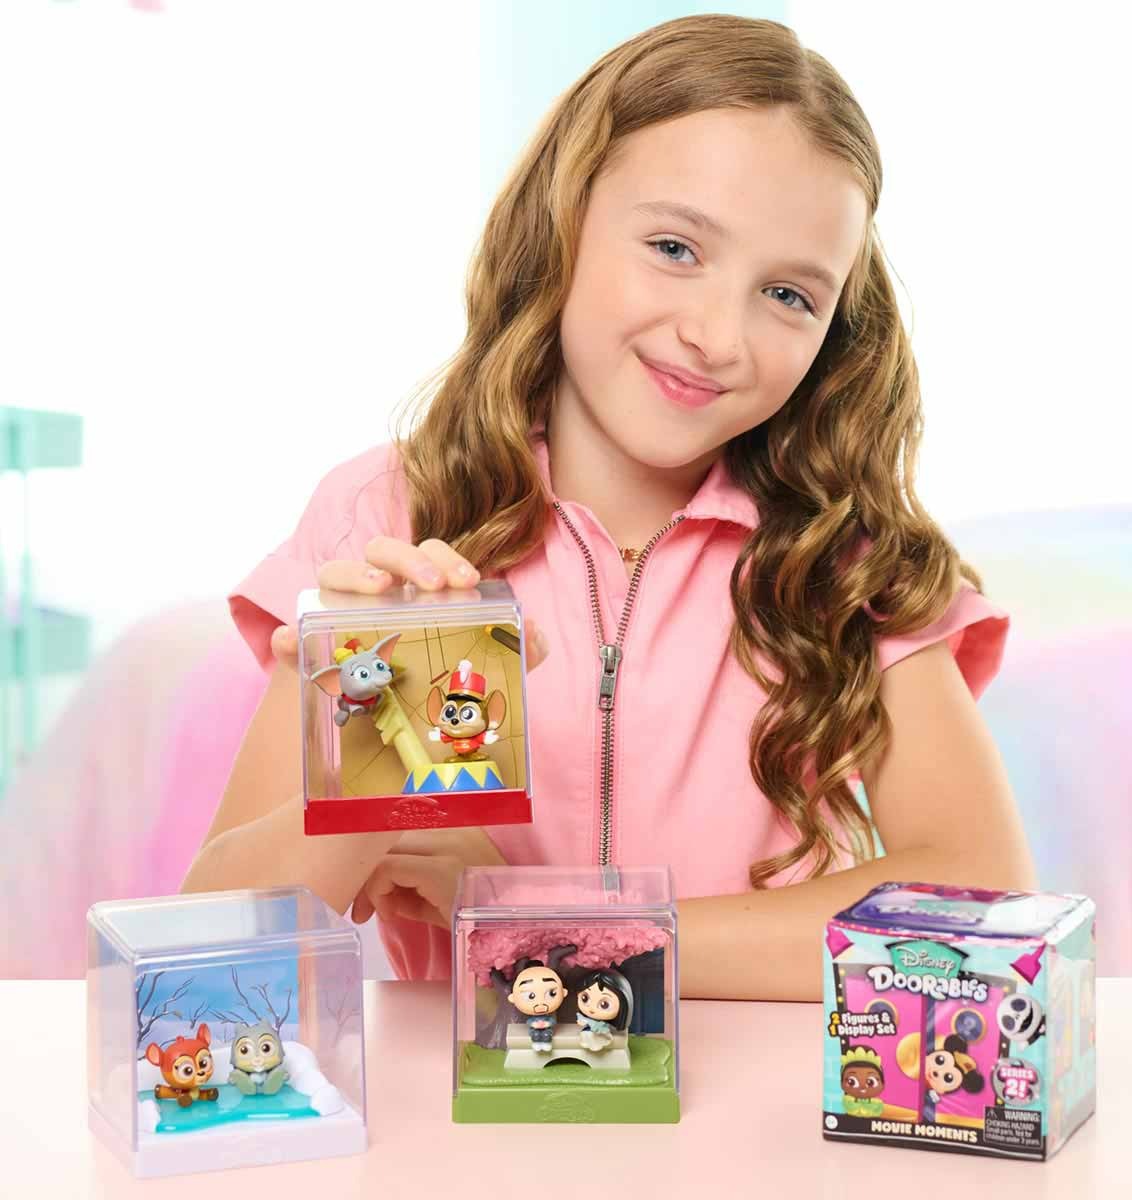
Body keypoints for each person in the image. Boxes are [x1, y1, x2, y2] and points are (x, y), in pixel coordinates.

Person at [181, 14, 1036, 1001]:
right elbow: (213, 957)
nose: (717, 334)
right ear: (562, 221)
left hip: (759, 1098)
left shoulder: (848, 561)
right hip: (463, 1102)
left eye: (789, 296)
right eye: (675, 246)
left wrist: (539, 924)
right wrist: (383, 736)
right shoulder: (389, 517)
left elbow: (978, 901)